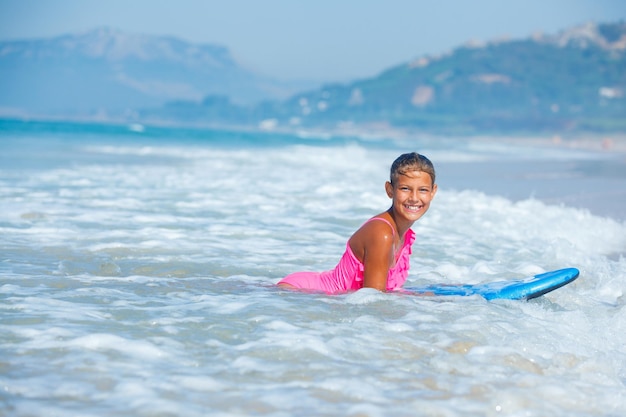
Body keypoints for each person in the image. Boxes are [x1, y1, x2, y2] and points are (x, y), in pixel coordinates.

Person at [278, 152, 437, 294]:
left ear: (433, 192)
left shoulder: (404, 233)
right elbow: (373, 301)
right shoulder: (382, 233)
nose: (414, 198)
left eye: (422, 190)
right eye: (405, 188)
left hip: (321, 295)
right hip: (302, 292)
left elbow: (385, 292)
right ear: (390, 190)